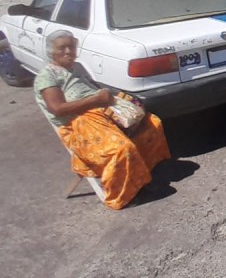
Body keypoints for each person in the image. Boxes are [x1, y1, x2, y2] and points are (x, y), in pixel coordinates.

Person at [34, 30, 170, 210]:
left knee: (152, 124)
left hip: (102, 110)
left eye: (71, 46)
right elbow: (57, 109)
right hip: (78, 124)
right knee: (121, 149)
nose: (68, 51)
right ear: (51, 51)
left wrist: (118, 101)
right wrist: (95, 100)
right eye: (62, 48)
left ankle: (141, 176)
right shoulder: (47, 76)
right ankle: (125, 194)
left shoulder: (77, 67)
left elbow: (95, 88)